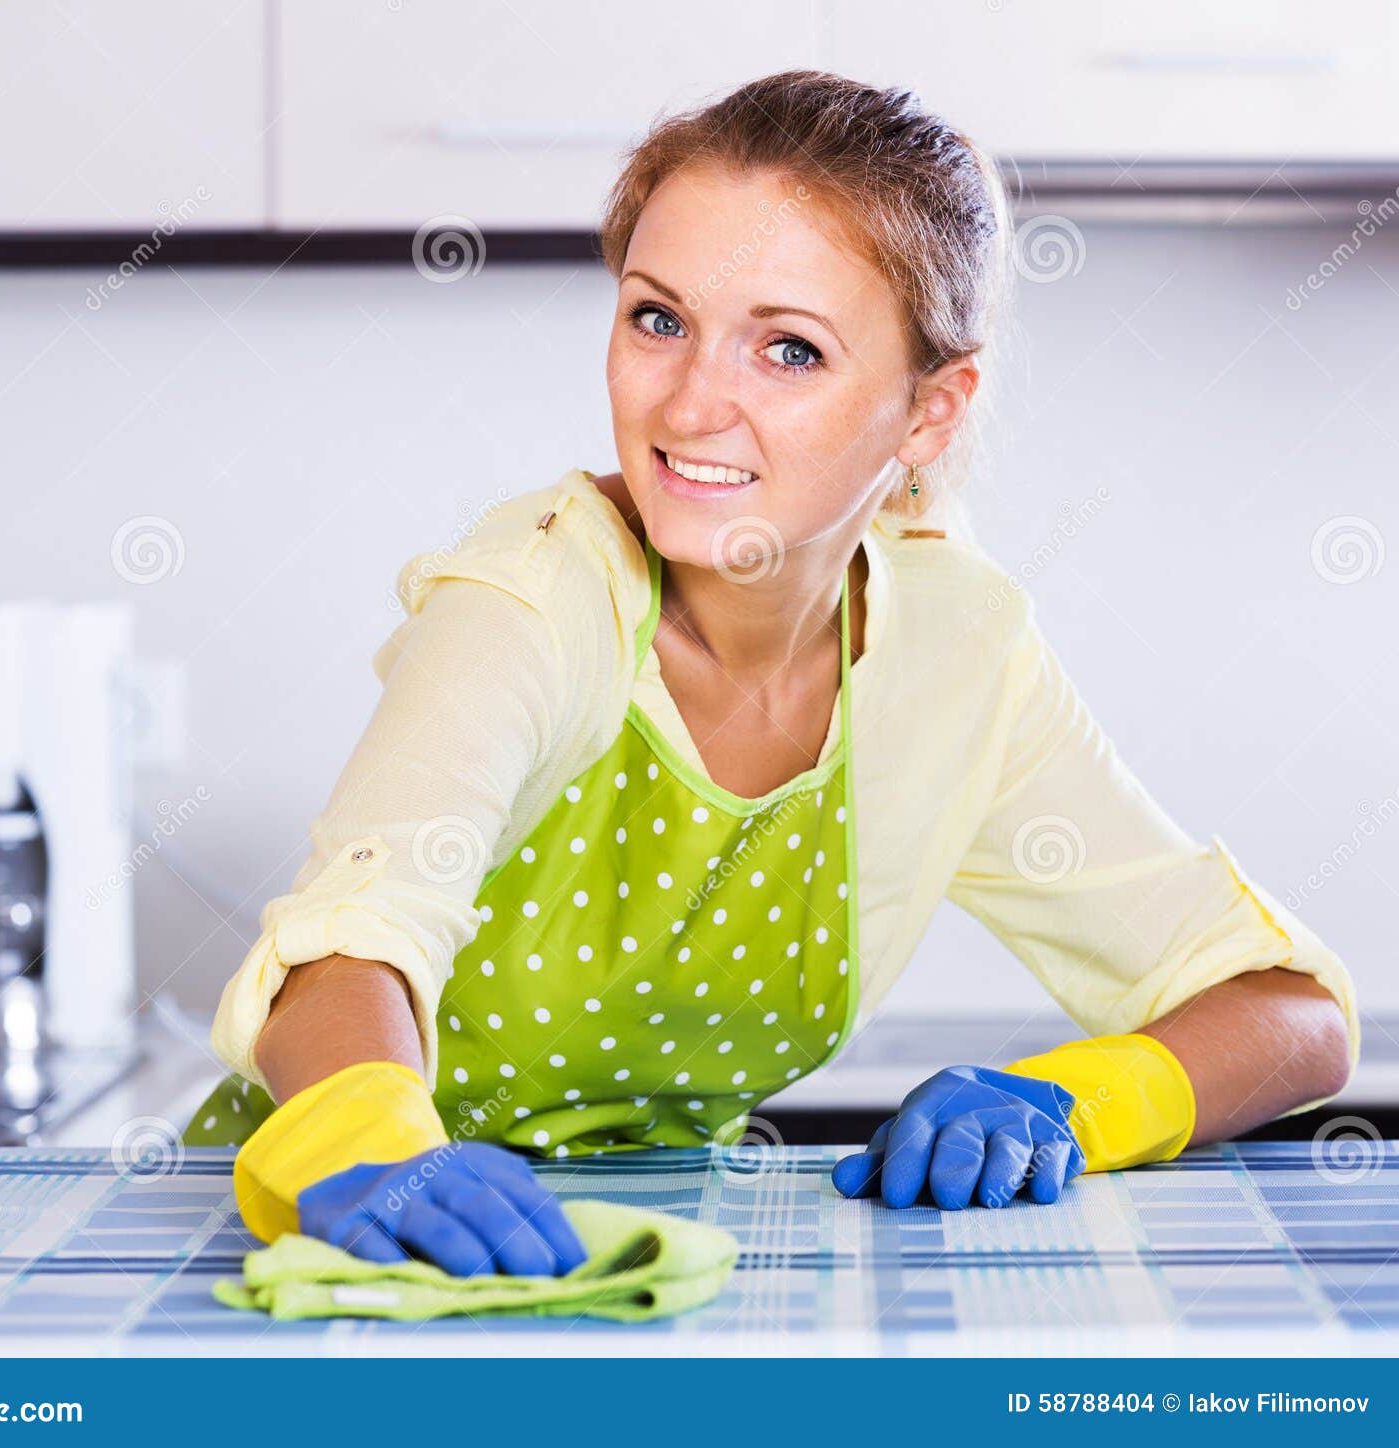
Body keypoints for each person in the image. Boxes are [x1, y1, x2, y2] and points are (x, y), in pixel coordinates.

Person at [187, 71, 1359, 1276]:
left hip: (656, 1261)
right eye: (658, 318)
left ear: (927, 413)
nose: (693, 403)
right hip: (341, 1242)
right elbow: (350, 943)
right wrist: (367, 1150)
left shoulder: (954, 650)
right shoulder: (535, 601)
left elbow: (1288, 1013)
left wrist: (1082, 1097)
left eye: (788, 349)